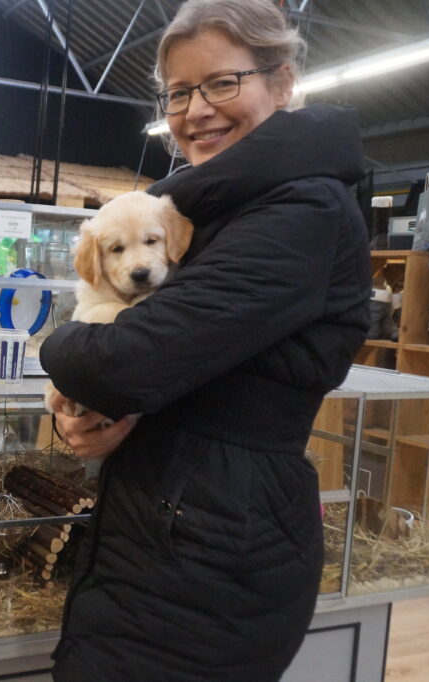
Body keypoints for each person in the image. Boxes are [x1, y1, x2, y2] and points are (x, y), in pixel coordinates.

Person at [40, 0, 371, 679]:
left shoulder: (300, 211)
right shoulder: (212, 204)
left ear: (282, 82)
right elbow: (165, 368)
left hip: (215, 555)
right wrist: (97, 410)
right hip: (169, 524)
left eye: (223, 82)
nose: (196, 110)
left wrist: (60, 351)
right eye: (179, 92)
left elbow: (129, 361)